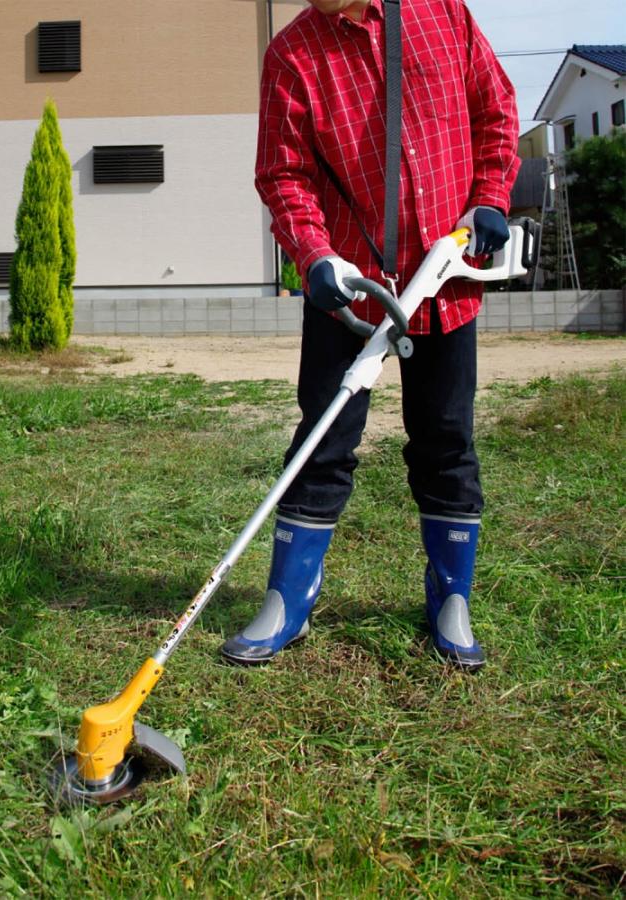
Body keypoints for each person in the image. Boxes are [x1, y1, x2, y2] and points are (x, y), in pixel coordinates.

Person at [221, 0, 520, 670]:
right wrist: (315, 256)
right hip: (351, 291)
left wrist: (491, 197)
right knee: (323, 439)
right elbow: (284, 173)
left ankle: (451, 600)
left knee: (446, 438)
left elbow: (494, 110)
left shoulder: (442, 13)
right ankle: (288, 601)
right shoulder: (294, 55)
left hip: (445, 280)